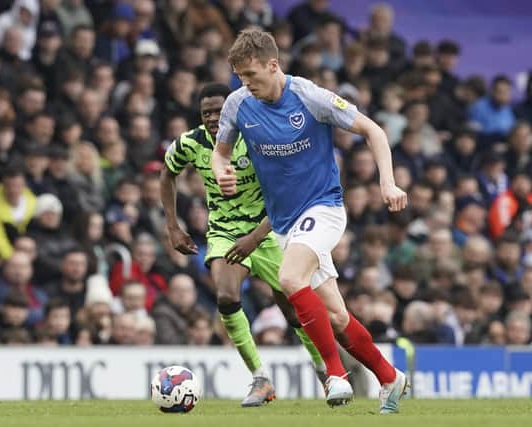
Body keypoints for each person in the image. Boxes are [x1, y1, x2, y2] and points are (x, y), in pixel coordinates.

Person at [211, 29, 408, 413]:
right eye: (239, 76)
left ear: (273, 64)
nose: (245, 84)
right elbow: (221, 154)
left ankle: (335, 375)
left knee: (289, 279)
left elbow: (373, 129)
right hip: (284, 225)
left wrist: (388, 182)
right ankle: (390, 378)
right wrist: (222, 170)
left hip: (323, 209)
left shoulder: (309, 96)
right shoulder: (237, 105)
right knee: (335, 316)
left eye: (251, 75)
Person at [161, 83, 326, 407]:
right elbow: (168, 175)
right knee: (225, 295)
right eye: (205, 112)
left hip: (270, 228)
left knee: (293, 309)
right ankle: (260, 378)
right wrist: (172, 226)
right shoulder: (190, 143)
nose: (211, 117)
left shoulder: (258, 137)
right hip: (223, 231)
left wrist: (254, 238)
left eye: (218, 110)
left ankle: (324, 369)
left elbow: (285, 193)